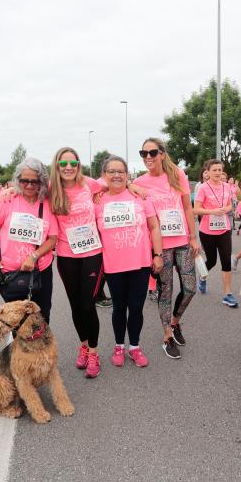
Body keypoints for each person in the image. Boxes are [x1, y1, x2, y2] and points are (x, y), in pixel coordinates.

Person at [95, 155, 163, 368]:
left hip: (140, 264)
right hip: (113, 265)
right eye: (111, 171)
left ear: (127, 174)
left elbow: (154, 227)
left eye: (121, 171)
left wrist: (158, 255)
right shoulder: (97, 200)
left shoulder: (141, 198)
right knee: (118, 307)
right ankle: (118, 346)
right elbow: (78, 184)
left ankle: (134, 346)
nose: (116, 175)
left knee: (136, 308)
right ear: (104, 175)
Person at [134, 138, 199, 360]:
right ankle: (167, 335)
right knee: (166, 291)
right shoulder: (140, 182)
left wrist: (193, 237)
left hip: (181, 240)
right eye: (144, 153)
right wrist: (131, 185)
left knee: (190, 288)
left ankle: (175, 321)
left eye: (153, 152)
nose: (148, 157)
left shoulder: (177, 174)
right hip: (160, 246)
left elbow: (188, 208)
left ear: (162, 153)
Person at [49, 148, 106, 378]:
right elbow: (26, 190)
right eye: (64, 163)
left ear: (79, 165)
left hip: (92, 253)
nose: (69, 167)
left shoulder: (89, 184)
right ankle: (83, 345)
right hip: (65, 255)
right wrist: (9, 190)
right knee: (75, 306)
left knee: (87, 305)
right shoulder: (52, 189)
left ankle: (94, 352)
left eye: (73, 163)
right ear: (57, 166)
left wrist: (133, 186)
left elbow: (115, 182)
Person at [0, 158, 58, 324]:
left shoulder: (47, 204)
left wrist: (34, 256)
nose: (30, 185)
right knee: (16, 321)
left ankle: (41, 350)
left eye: (35, 181)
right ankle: (19, 349)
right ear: (18, 180)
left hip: (40, 271)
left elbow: (53, 239)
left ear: (42, 181)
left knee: (42, 317)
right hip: (9, 273)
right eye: (25, 180)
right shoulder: (8, 200)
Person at [193, 159, 236, 306]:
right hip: (207, 231)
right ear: (208, 172)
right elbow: (196, 209)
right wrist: (212, 211)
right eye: (215, 170)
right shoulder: (203, 188)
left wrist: (227, 209)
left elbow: (230, 204)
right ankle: (203, 277)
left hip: (224, 228)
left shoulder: (227, 186)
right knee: (211, 261)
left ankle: (228, 294)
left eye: (220, 170)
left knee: (226, 261)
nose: (218, 173)